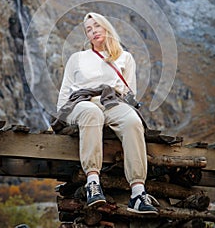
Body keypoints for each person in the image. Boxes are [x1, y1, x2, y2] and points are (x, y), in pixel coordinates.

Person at [56, 12, 158, 214]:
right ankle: (92, 183)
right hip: (81, 103)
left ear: (106, 27)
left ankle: (138, 193)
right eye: (89, 29)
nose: (93, 31)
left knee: (132, 121)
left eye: (96, 26)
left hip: (111, 102)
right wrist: (62, 116)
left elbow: (130, 93)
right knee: (93, 113)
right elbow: (65, 92)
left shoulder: (125, 58)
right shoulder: (77, 58)